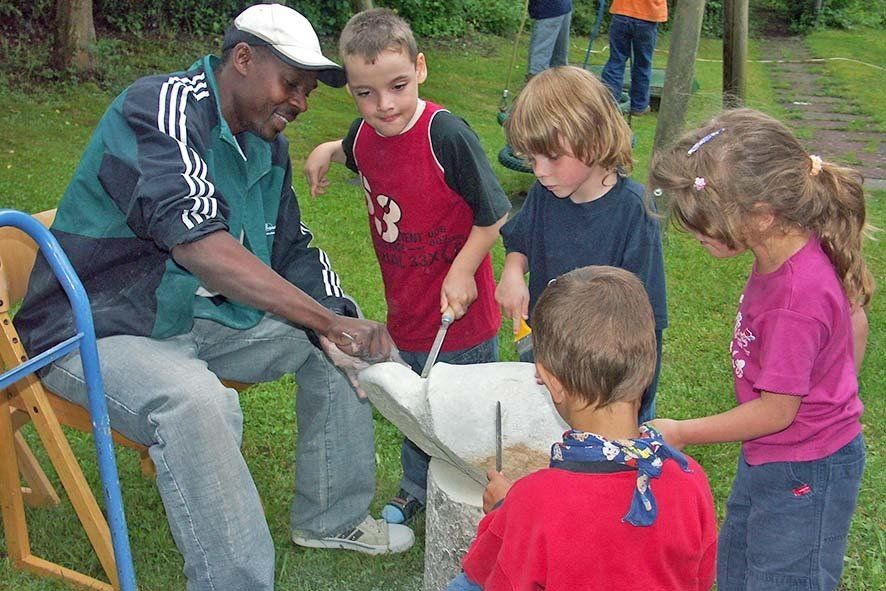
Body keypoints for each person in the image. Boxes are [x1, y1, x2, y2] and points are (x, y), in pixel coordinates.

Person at [14, 4, 415, 590]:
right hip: (91, 329)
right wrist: (321, 320)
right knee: (197, 401)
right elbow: (199, 245)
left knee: (331, 339)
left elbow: (293, 251)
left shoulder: (263, 141)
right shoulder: (161, 106)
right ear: (243, 59)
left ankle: (333, 517)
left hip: (183, 317)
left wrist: (338, 320)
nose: (300, 104)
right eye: (291, 85)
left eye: (307, 92)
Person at [649, 108, 872, 591]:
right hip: (773, 457)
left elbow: (777, 412)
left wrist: (682, 430)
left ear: (763, 215)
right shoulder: (787, 251)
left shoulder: (796, 298)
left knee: (784, 579)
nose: (694, 234)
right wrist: (836, 380)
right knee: (739, 568)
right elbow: (855, 319)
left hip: (806, 467)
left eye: (704, 224)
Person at [304, 8, 511, 526]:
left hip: (461, 317)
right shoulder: (365, 134)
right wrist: (328, 150)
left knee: (460, 414)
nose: (384, 105)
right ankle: (415, 488)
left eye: (397, 85)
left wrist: (463, 270)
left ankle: (477, 498)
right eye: (365, 93)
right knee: (415, 409)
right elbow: (354, 146)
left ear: (419, 68)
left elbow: (494, 215)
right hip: (407, 313)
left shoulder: (447, 136)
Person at [448, 265, 717, 591]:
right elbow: (699, 580)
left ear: (550, 382)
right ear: (648, 368)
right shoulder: (690, 481)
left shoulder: (533, 501)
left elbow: (493, 576)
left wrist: (503, 512)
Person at [496, 66, 667, 423]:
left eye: (552, 157)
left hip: (605, 382)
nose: (540, 171)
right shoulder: (546, 194)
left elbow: (647, 323)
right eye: (532, 159)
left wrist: (634, 403)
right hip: (547, 358)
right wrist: (513, 272)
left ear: (594, 140)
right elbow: (521, 240)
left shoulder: (635, 213)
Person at [600, 0, 668, 116]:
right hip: (648, 16)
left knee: (616, 61)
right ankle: (639, 105)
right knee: (643, 64)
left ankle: (609, 103)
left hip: (622, 12)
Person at [526, 0, 573, 79]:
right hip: (563, 7)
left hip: (548, 10)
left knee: (540, 59)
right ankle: (559, 87)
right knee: (558, 61)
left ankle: (538, 88)